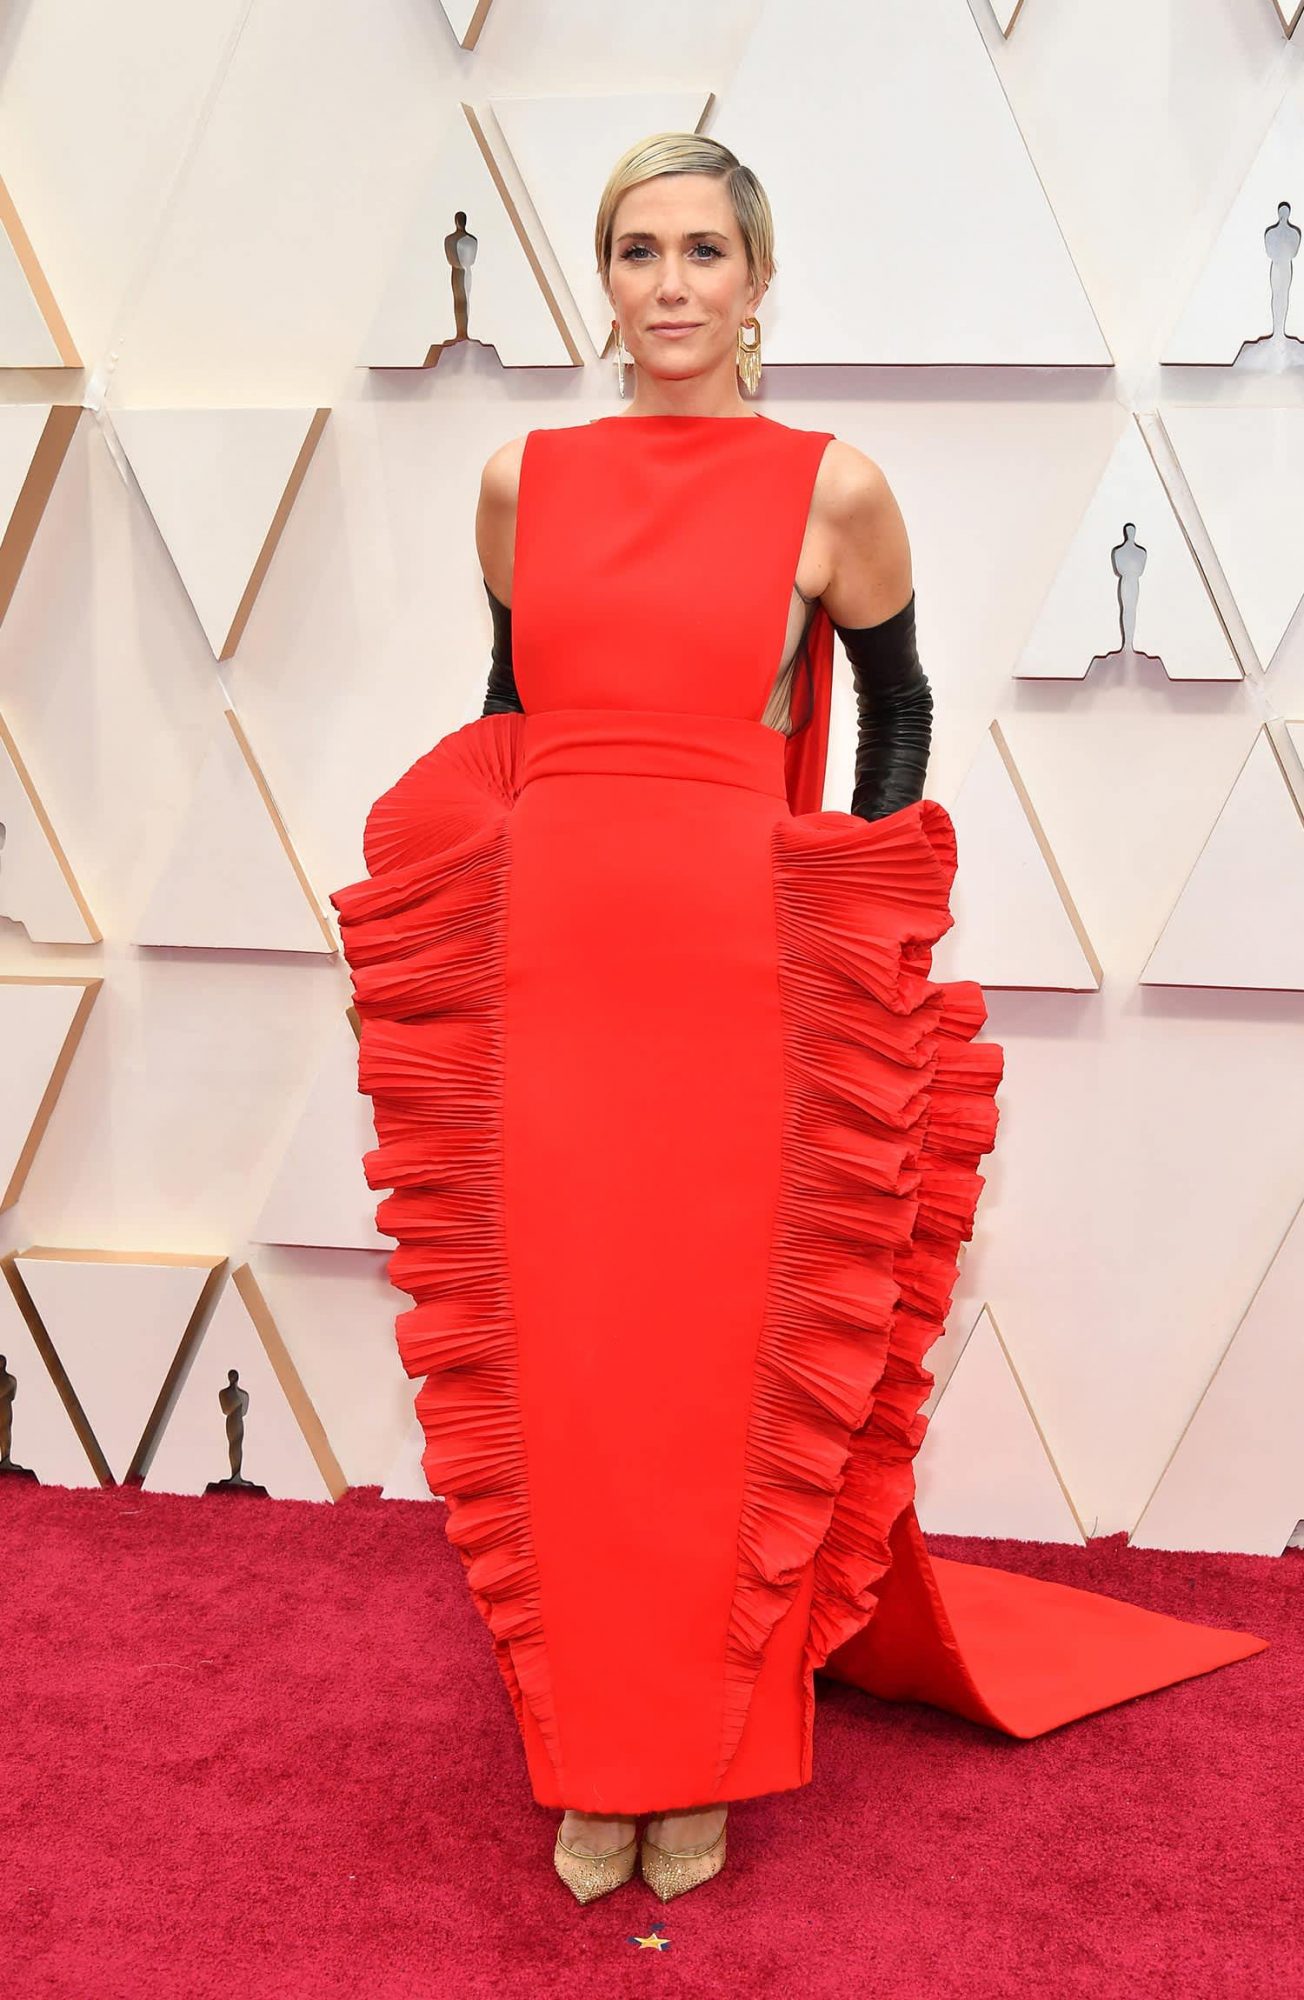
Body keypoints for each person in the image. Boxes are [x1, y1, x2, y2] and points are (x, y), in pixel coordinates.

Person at [329, 133, 1268, 1909]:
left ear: (758, 282)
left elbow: (898, 712)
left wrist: (847, 905)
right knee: (569, 1375)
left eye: (704, 250)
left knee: (708, 1379)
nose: (671, 283)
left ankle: (699, 1760)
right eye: (637, 249)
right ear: (604, 280)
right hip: (552, 979)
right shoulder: (521, 483)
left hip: (732, 982)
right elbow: (509, 710)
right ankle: (592, 1760)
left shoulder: (832, 489)